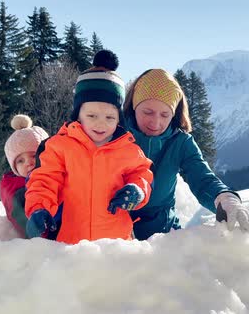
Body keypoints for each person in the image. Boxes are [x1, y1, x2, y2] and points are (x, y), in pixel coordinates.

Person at [24, 50, 154, 244]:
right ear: (78, 114)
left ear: (119, 118)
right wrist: (39, 208)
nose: (101, 124)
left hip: (117, 246)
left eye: (109, 117)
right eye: (92, 116)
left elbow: (143, 175)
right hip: (72, 245)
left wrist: (137, 190)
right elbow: (45, 180)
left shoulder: (129, 150)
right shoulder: (60, 147)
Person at [123, 67, 249, 240]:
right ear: (134, 106)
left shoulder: (180, 142)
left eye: (165, 114)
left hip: (162, 236)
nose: (156, 122)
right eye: (148, 112)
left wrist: (225, 197)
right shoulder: (113, 133)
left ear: (174, 114)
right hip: (113, 235)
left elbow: (202, 177)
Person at [0, 114, 50, 238]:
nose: (29, 163)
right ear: (14, 168)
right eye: (20, 161)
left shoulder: (58, 177)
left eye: (33, 155)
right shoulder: (17, 190)